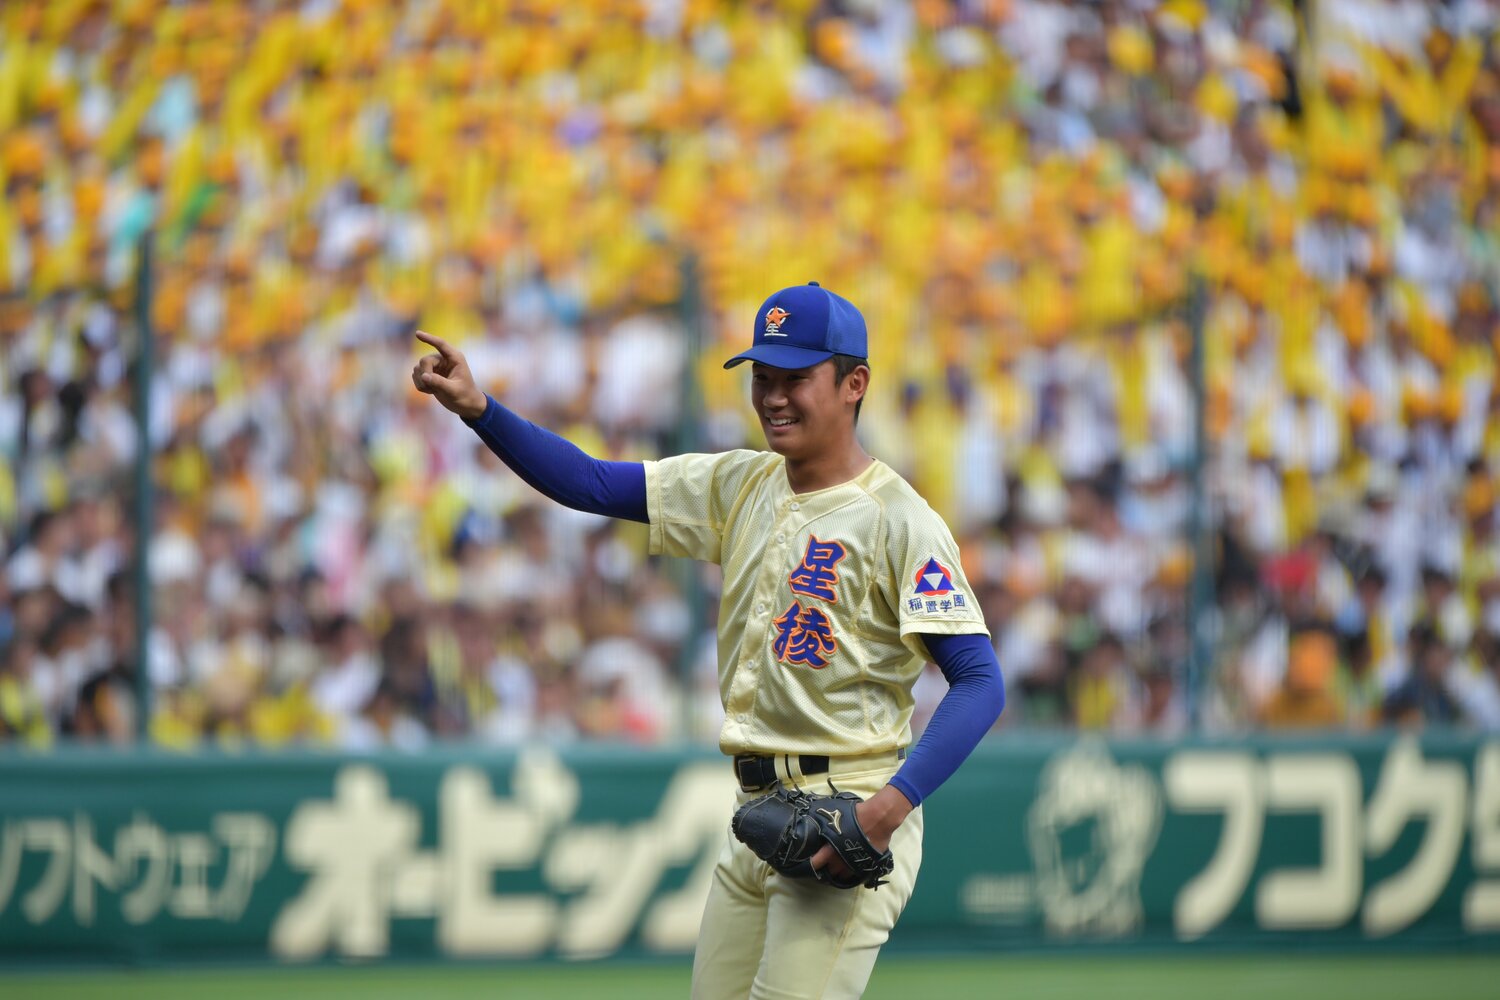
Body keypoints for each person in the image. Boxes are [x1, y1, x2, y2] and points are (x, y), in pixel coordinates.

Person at [411, 281, 1005, 999]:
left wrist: (888, 809)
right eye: (763, 378)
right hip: (754, 820)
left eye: (795, 379)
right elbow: (593, 485)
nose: (773, 397)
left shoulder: (899, 520)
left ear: (854, 384)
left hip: (848, 814)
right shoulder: (741, 482)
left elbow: (979, 679)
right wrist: (481, 412)